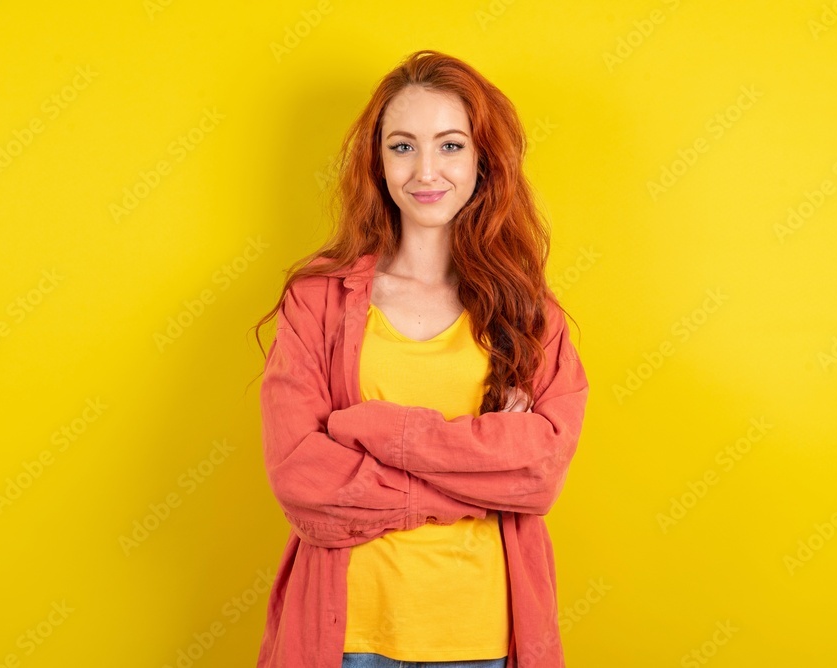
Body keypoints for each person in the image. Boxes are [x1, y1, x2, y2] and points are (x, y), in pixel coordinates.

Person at [252, 49, 588, 668]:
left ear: (484, 159)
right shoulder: (317, 302)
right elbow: (301, 476)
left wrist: (371, 430)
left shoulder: (529, 314)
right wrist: (478, 478)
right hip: (348, 638)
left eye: (451, 145)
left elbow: (537, 476)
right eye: (402, 146)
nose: (426, 170)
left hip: (484, 639)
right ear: (377, 163)